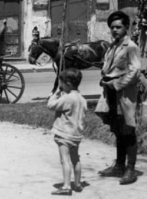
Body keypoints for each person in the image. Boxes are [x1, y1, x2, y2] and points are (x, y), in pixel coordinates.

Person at [95, 10, 142, 185]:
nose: (115, 30)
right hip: (112, 94)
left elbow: (135, 71)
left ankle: (130, 169)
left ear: (126, 28)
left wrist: (116, 83)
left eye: (118, 27)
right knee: (117, 129)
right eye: (112, 27)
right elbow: (108, 67)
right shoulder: (113, 46)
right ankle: (119, 165)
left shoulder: (131, 46)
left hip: (125, 93)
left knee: (128, 129)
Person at [47, 68, 88, 195]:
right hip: (76, 135)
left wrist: (56, 93)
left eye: (62, 84)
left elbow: (50, 105)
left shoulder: (67, 99)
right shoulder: (82, 99)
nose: (61, 86)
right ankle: (77, 184)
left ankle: (66, 186)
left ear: (67, 84)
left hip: (64, 134)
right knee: (76, 159)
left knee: (65, 160)